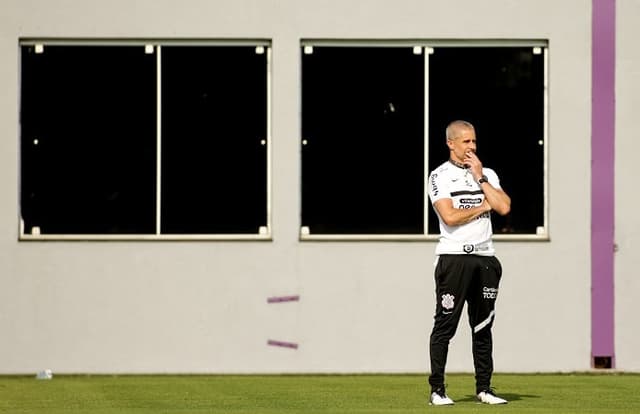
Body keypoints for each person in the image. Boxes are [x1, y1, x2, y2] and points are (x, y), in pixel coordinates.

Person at [426, 120, 511, 406]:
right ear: (451, 143)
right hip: (454, 258)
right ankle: (438, 390)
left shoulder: (486, 174)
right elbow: (449, 217)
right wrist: (485, 206)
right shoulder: (438, 176)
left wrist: (481, 179)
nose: (471, 147)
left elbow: (505, 206)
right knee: (445, 326)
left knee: (483, 326)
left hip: (485, 258)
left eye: (474, 142)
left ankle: (484, 389)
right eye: (466, 142)